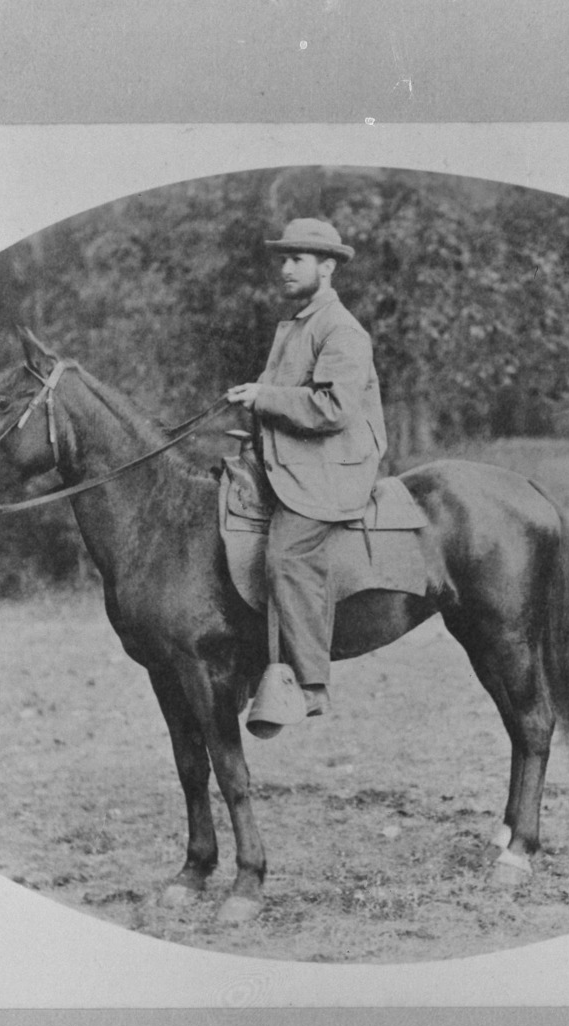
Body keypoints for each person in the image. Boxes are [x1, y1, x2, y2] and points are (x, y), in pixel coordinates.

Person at [226, 216, 387, 736]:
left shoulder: (342, 329)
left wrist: (263, 396)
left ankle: (312, 685)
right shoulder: (297, 323)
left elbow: (334, 408)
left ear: (327, 266)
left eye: (297, 259)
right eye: (284, 258)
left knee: (286, 554)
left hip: (334, 469)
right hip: (299, 461)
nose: (285, 268)